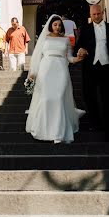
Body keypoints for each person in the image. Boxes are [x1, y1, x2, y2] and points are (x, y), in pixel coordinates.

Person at [74, 4, 109, 141]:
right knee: (89, 96)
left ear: (102, 13)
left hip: (107, 68)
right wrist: (80, 49)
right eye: (93, 15)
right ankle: (95, 122)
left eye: (98, 14)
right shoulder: (86, 29)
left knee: (108, 97)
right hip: (90, 68)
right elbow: (78, 45)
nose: (96, 16)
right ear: (90, 15)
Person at [25, 15, 86, 143]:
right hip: (46, 70)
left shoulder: (66, 40)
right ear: (50, 26)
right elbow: (37, 57)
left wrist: (78, 59)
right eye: (55, 25)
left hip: (61, 69)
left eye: (59, 25)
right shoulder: (44, 39)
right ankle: (44, 129)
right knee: (46, 98)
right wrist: (33, 74)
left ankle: (58, 132)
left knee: (58, 98)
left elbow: (69, 57)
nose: (57, 27)